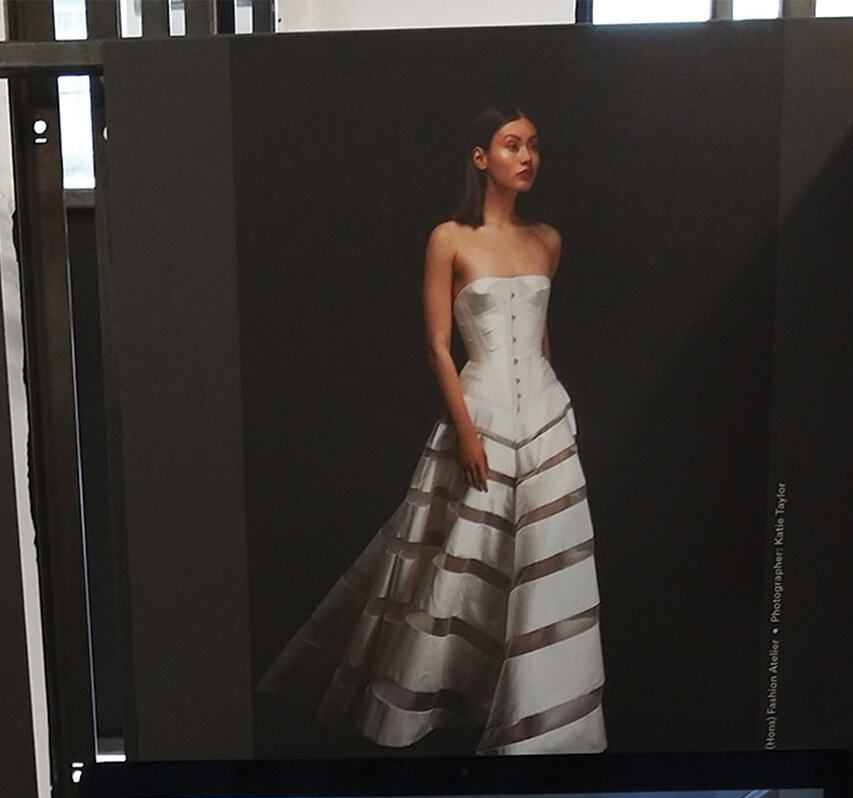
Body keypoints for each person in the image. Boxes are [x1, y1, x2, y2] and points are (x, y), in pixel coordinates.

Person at [258, 103, 606, 756]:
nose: (527, 156)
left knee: (540, 566)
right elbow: (439, 348)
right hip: (480, 413)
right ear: (481, 158)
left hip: (547, 422)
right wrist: (468, 433)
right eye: (511, 145)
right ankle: (439, 706)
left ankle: (535, 728)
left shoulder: (548, 240)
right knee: (455, 563)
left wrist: (557, 420)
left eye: (534, 145)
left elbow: (543, 339)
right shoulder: (449, 237)